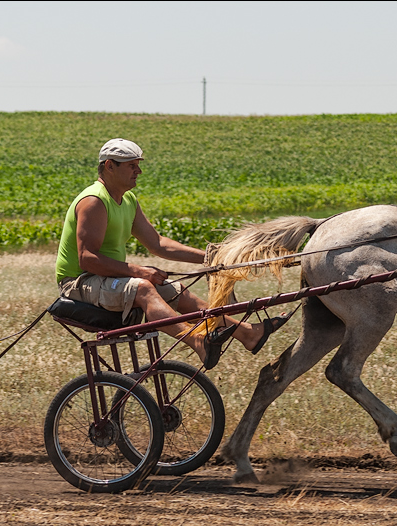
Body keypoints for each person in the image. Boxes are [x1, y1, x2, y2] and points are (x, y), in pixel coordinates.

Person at [55, 138, 281, 370]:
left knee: (176, 291)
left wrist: (210, 258)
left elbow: (158, 244)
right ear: (110, 166)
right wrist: (139, 271)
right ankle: (197, 340)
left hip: (107, 280)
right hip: (79, 283)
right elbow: (88, 259)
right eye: (132, 165)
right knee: (143, 288)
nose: (139, 171)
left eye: (138, 165)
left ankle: (247, 334)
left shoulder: (128, 200)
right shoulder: (94, 201)